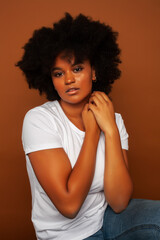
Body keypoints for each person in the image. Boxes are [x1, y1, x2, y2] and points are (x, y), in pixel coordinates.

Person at [16, 13, 160, 240]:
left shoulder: (113, 118)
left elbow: (120, 202)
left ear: (94, 71)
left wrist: (110, 129)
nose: (68, 80)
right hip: (65, 235)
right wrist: (92, 132)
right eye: (58, 73)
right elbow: (69, 206)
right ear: (50, 79)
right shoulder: (39, 120)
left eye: (77, 69)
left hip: (108, 219)